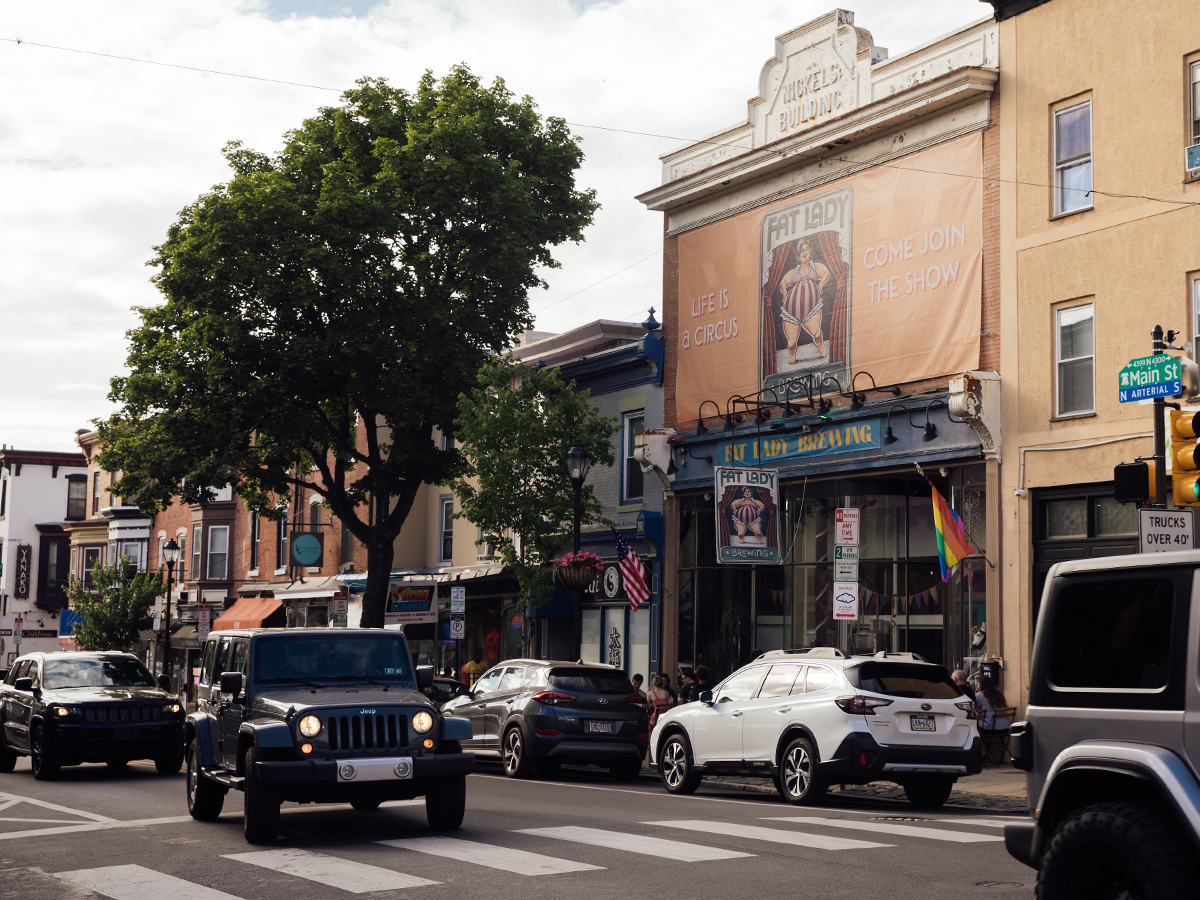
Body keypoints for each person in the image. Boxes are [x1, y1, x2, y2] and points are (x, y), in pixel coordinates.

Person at [776, 238, 829, 363]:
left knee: (816, 334)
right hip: (791, 311)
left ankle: (821, 345)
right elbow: (782, 283)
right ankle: (793, 356)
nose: (804, 253)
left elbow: (826, 272)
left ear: (810, 252)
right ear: (799, 255)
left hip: (811, 309)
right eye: (802, 251)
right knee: (792, 343)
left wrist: (820, 285)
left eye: (806, 250)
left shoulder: (815, 267)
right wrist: (784, 294)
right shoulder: (794, 272)